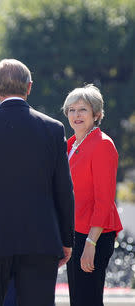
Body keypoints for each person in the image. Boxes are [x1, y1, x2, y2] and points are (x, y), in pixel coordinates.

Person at [0, 59, 75, 306]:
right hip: (42, 238)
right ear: (29, 87)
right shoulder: (53, 129)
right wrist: (66, 239)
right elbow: (64, 190)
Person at [62, 84, 123, 306]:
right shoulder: (70, 145)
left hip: (93, 235)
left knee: (87, 301)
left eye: (83, 110)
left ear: (96, 114)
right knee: (78, 300)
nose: (76, 115)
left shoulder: (102, 145)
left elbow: (104, 200)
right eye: (71, 110)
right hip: (76, 233)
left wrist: (90, 243)